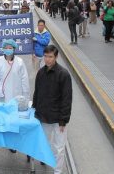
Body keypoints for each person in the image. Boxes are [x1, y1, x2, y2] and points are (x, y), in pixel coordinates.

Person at [32, 45, 72, 174]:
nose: (47, 59)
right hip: (43, 116)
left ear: (56, 57)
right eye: (45, 56)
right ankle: (46, 159)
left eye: (50, 57)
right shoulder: (41, 73)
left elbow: (67, 99)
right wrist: (34, 111)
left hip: (58, 119)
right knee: (44, 143)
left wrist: (63, 120)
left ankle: (57, 171)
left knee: (59, 148)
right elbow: (36, 93)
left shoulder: (63, 74)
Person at [0, 39, 30, 104]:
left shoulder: (19, 62)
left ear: (14, 49)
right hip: (3, 95)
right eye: (6, 48)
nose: (8, 49)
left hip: (17, 94)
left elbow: (24, 80)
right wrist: (0, 92)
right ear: (3, 49)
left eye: (10, 48)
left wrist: (26, 96)